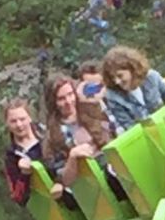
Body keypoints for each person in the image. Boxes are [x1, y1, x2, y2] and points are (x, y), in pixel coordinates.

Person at [42, 72, 118, 203]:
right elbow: (63, 180)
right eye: (61, 99)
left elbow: (114, 136)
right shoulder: (53, 136)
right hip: (89, 186)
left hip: (111, 166)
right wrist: (73, 157)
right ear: (53, 102)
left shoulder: (92, 113)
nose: (68, 101)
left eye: (70, 95)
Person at [101, 45, 165, 131]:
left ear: (132, 69)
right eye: (112, 77)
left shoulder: (152, 77)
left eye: (120, 76)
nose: (117, 81)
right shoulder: (112, 96)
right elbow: (129, 127)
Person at [2, 98, 44, 206]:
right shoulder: (10, 156)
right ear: (7, 123)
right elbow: (19, 198)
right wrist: (25, 174)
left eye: (22, 119)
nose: (19, 125)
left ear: (29, 118)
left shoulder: (47, 142)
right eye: (13, 121)